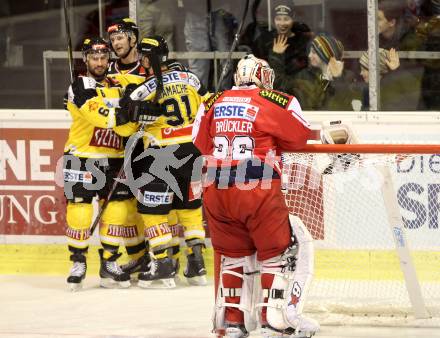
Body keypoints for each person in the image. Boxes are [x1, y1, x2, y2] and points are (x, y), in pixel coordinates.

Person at [192, 54, 319, 337]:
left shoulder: (211, 102)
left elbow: (199, 141)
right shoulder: (278, 101)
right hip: (256, 186)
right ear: (265, 78)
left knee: (235, 256)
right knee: (276, 255)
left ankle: (234, 323)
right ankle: (270, 321)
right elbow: (300, 136)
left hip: (215, 187)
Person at [119, 35, 211, 288]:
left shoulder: (148, 85)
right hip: (192, 152)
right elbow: (211, 103)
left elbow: (125, 111)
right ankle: (196, 264)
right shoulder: (191, 78)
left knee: (153, 210)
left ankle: (162, 264)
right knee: (189, 209)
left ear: (148, 58)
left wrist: (130, 107)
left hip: (161, 154)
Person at [63, 37, 137, 290]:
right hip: (82, 156)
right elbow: (97, 114)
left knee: (117, 209)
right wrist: (128, 112)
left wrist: (132, 115)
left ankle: (109, 261)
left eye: (104, 57)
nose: (99, 62)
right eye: (94, 57)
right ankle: (78, 261)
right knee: (80, 209)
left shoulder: (119, 85)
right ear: (85, 59)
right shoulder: (79, 85)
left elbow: (128, 128)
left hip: (113, 157)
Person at [271, 33, 359, 110]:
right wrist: (276, 57)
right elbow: (281, 86)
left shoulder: (347, 77)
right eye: (310, 52)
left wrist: (337, 79)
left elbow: (342, 108)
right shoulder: (305, 75)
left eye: (314, 52)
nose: (309, 56)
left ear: (325, 55)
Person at [258, 2, 313, 77]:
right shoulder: (265, 40)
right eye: (278, 19)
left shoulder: (302, 41)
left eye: (286, 19)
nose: (282, 23)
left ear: (293, 18)